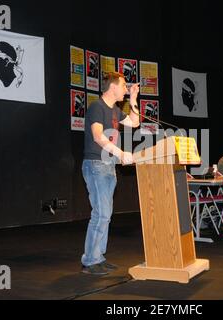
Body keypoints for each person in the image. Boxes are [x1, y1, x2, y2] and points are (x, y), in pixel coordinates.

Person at [81, 71, 140, 275]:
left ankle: (98, 257)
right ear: (113, 86)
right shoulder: (97, 107)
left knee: (105, 215)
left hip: (108, 166)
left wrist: (133, 99)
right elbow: (98, 137)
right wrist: (120, 152)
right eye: (124, 86)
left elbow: (135, 122)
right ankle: (90, 260)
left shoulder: (115, 109)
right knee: (101, 214)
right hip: (96, 164)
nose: (125, 88)